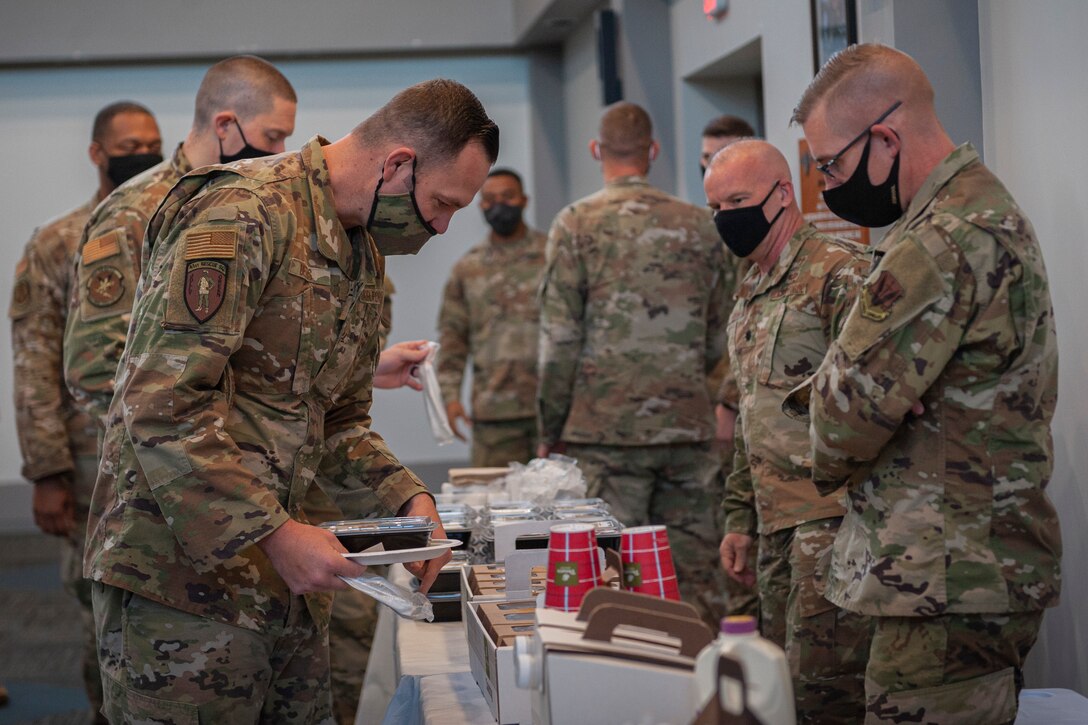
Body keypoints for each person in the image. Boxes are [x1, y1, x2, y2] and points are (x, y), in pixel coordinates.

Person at [83, 78, 498, 722]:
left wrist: (408, 502)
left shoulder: (360, 250)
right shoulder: (240, 213)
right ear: (396, 165)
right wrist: (276, 535)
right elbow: (161, 404)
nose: (442, 228)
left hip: (287, 579)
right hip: (180, 584)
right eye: (442, 203)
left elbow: (338, 418)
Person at [789, 43, 1061, 724]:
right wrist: (873, 395)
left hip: (943, 579)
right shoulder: (971, 214)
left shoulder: (939, 240)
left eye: (831, 164)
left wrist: (848, 394)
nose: (824, 187)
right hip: (953, 572)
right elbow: (863, 397)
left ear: (884, 136)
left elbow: (840, 422)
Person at [537, 101, 731, 626]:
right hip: (686, 431)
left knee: (611, 582)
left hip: (605, 434)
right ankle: (708, 693)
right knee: (694, 580)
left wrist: (550, 428)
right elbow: (721, 335)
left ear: (596, 150)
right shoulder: (700, 226)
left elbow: (558, 341)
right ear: (654, 151)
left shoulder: (575, 224)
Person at [705, 139, 871, 723]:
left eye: (739, 201)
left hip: (833, 527)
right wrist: (739, 518)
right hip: (774, 529)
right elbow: (753, 417)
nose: (728, 218)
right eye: (716, 208)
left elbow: (880, 405)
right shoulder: (750, 286)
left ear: (782, 194)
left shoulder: (840, 272)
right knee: (782, 699)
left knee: (830, 697)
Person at [9, 100, 161, 722]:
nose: (142, 153)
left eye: (152, 141)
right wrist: (47, 470)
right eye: (128, 144)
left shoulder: (180, 222)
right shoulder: (58, 242)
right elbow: (34, 359)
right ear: (97, 153)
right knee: (98, 605)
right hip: (89, 463)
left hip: (171, 460)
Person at [64, 55, 298, 433]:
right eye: (272, 136)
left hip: (241, 448)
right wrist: (190, 438)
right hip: (160, 459)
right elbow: (96, 370)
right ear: (225, 125)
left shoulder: (252, 204)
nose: (280, 150)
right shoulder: (133, 212)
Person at [438, 168, 547, 466]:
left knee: (565, 499)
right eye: (490, 199)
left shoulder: (553, 257)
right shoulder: (468, 268)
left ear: (524, 200)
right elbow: (453, 339)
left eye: (507, 197)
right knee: (495, 501)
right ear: (481, 205)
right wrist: (449, 398)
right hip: (494, 413)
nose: (499, 205)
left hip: (552, 410)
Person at [699, 114, 761, 619]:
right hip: (725, 415)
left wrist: (726, 399)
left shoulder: (761, 240)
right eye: (705, 162)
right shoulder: (714, 231)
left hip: (747, 412)